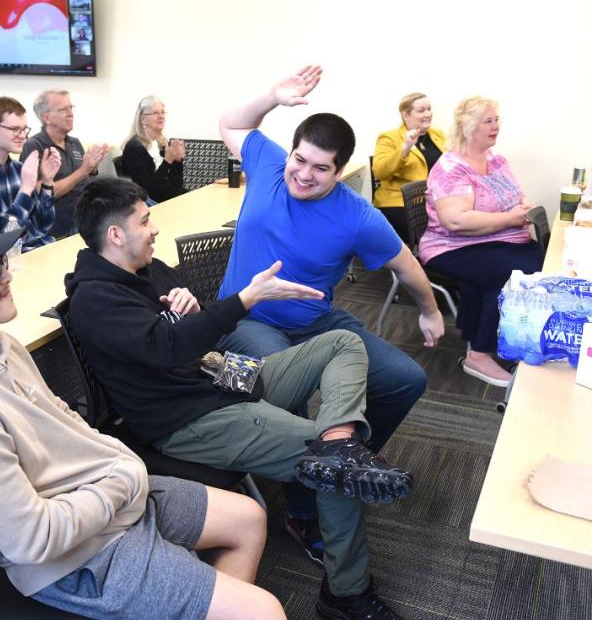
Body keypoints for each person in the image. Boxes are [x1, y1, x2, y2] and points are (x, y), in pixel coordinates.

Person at [0, 213, 287, 620]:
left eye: (3, 261)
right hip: (73, 558)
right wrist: (119, 483)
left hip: (104, 492)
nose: (6, 274)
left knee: (249, 518)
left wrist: (116, 466)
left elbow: (61, 417)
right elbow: (32, 540)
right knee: (265, 612)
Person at [65, 178, 414, 620]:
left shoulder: (147, 268)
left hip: (219, 376)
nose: (154, 228)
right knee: (339, 471)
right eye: (145, 219)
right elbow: (166, 347)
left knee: (343, 342)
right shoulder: (96, 299)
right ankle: (346, 593)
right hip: (188, 416)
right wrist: (245, 298)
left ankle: (339, 439)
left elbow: (186, 331)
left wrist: (191, 303)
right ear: (115, 235)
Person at [215, 66, 445, 568]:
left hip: (317, 321)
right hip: (248, 318)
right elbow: (231, 123)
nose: (303, 173)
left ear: (340, 172)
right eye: (300, 159)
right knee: (289, 382)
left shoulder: (357, 214)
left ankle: (342, 463)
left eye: (320, 168)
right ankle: (304, 510)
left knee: (406, 379)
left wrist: (429, 310)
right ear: (291, 151)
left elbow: (405, 264)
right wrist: (272, 96)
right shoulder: (269, 163)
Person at [419, 97, 543, 387]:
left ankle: (509, 337)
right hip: (450, 246)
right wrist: (511, 220)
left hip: (492, 239)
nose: (495, 126)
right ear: (468, 126)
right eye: (488, 121)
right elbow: (456, 221)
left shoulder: (496, 160)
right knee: (510, 275)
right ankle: (479, 354)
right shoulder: (451, 167)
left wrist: (524, 207)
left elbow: (517, 195)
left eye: (496, 119)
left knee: (535, 261)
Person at [0, 97, 61, 250]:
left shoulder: (19, 169)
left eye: (24, 129)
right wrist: (25, 190)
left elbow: (43, 226)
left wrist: (47, 182)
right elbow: (3, 239)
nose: (23, 135)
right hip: (13, 262)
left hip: (42, 251)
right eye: (14, 129)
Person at [21, 89, 109, 238]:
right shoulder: (35, 146)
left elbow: (84, 180)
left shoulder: (74, 142)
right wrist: (83, 171)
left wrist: (92, 168)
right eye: (63, 109)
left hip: (86, 221)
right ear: (46, 117)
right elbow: (38, 193)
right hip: (57, 231)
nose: (70, 113)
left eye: (71, 108)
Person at [372, 92, 447, 241]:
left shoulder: (438, 135)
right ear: (405, 115)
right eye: (421, 110)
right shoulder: (389, 137)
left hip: (433, 201)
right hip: (399, 203)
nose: (428, 114)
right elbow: (379, 172)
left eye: (429, 109)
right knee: (439, 231)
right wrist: (404, 148)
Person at [121, 96, 187, 202]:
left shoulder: (162, 143)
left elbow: (176, 184)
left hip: (167, 198)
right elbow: (149, 190)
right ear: (143, 118)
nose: (161, 116)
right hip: (151, 203)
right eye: (155, 113)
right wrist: (168, 161)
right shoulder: (134, 148)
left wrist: (178, 162)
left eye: (163, 112)